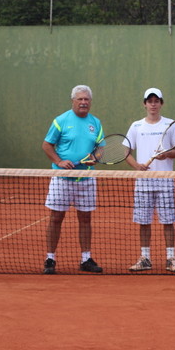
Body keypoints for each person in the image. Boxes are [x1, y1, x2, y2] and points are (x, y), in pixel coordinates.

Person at [41, 84, 104, 274]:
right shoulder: (61, 120)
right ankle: (50, 259)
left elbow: (100, 147)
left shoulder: (96, 123)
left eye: (86, 99)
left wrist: (96, 158)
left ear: (90, 102)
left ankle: (86, 259)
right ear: (73, 101)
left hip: (85, 179)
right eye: (80, 99)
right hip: (62, 179)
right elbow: (46, 145)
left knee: (85, 218)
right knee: (56, 218)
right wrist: (59, 161)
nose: (83, 102)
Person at [124, 88, 175, 272]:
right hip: (143, 183)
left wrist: (167, 155)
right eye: (150, 101)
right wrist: (137, 166)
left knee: (168, 221)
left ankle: (171, 258)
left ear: (161, 103)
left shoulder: (170, 125)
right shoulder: (136, 126)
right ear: (145, 104)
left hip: (165, 182)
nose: (153, 104)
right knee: (144, 222)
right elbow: (126, 151)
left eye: (157, 101)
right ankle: (145, 257)